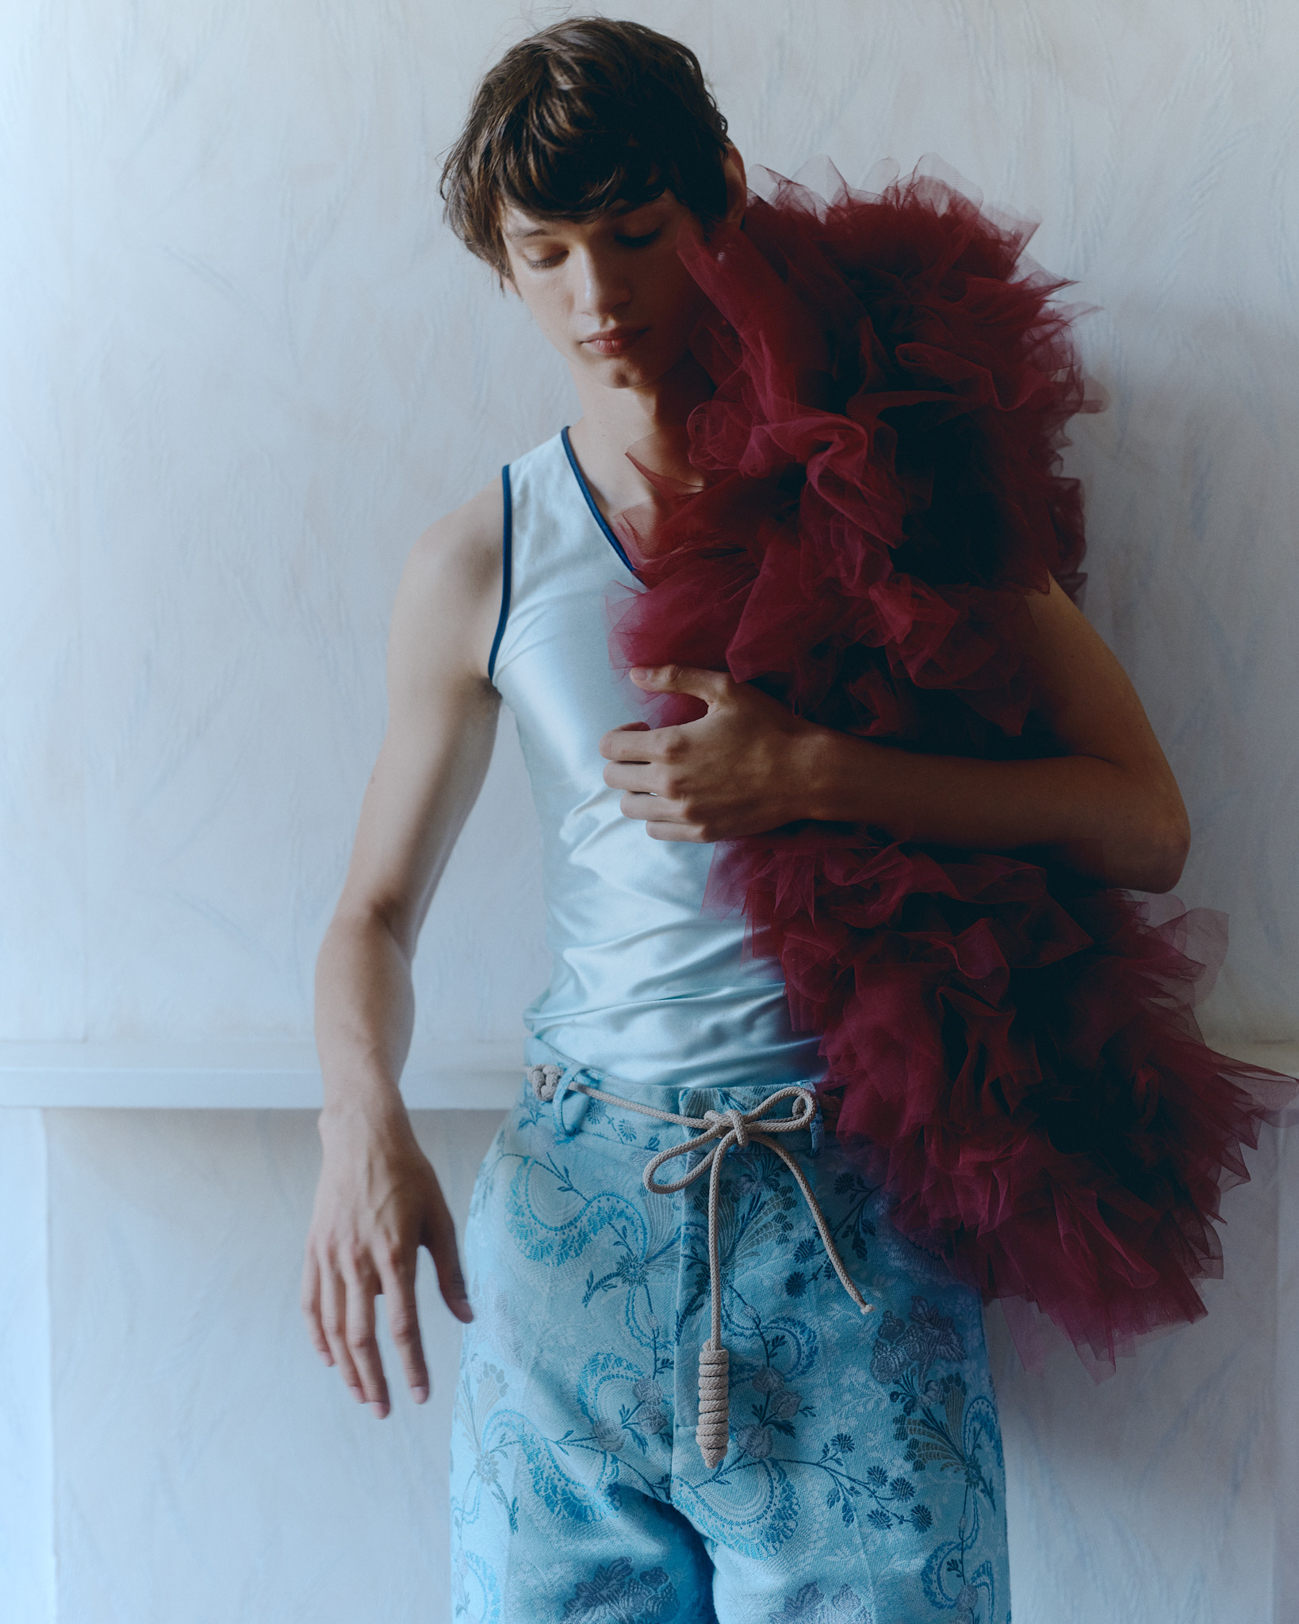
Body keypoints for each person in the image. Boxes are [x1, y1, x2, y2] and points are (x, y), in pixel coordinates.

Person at [301, 18, 1190, 1622]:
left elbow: (1142, 823)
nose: (598, 294)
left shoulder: (889, 474)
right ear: (501, 263)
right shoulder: (481, 557)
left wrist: (814, 778)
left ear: (722, 199)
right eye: (546, 254)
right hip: (573, 1228)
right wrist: (358, 1123)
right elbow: (370, 914)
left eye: (637, 233)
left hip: (853, 1226)